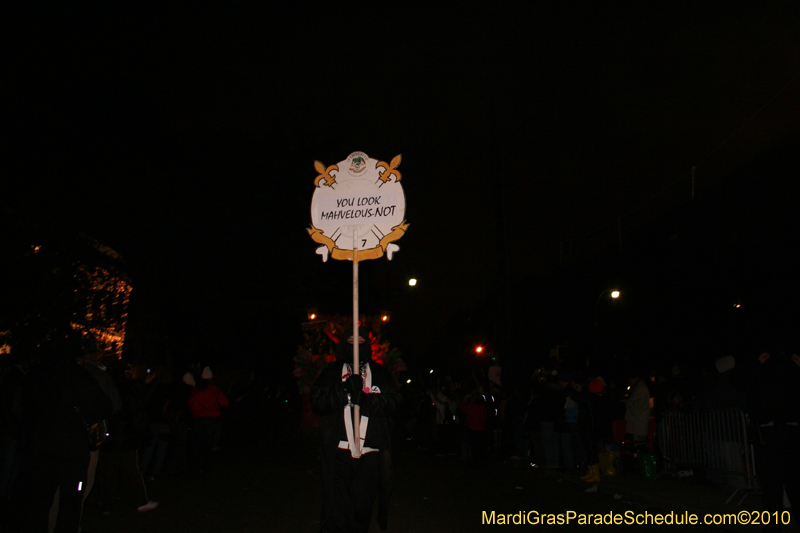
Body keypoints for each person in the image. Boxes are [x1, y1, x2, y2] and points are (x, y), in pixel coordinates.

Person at [14, 334, 112, 533]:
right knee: (72, 499)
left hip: (38, 447)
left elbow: (20, 409)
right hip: (72, 450)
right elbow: (103, 406)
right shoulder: (78, 375)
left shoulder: (34, 375)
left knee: (39, 499)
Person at [311, 327, 402, 533]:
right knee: (338, 512)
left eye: (360, 341)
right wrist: (344, 391)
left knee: (362, 511)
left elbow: (396, 403)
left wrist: (366, 400)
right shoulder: (331, 373)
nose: (356, 345)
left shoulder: (380, 374)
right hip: (339, 455)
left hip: (370, 457)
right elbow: (317, 401)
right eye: (351, 341)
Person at [187, 366, 228, 474]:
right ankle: (205, 468)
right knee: (208, 444)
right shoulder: (215, 389)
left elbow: (191, 405)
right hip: (212, 420)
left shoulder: (196, 390)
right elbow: (224, 403)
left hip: (199, 419)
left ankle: (195, 467)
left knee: (198, 443)